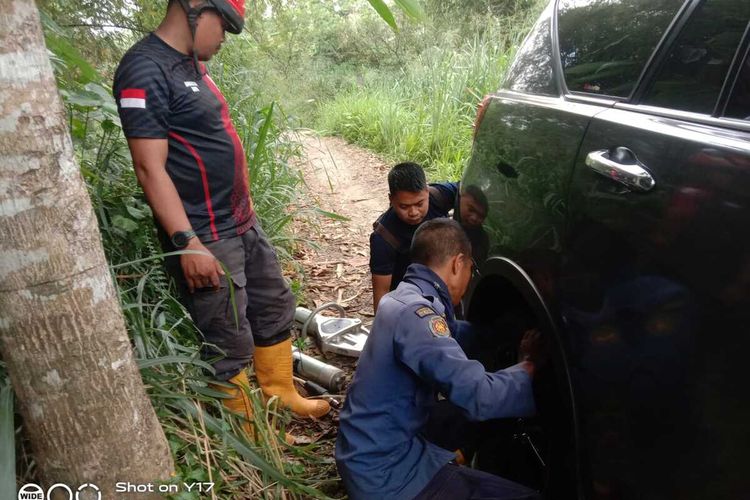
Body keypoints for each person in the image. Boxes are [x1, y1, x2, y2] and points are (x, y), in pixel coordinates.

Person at [112, 0, 330, 438]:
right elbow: (149, 168)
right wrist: (187, 242)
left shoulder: (190, 65)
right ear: (194, 8)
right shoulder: (144, 68)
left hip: (241, 222)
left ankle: (279, 391)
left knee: (273, 305)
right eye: (224, 24)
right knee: (227, 337)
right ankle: (249, 434)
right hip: (205, 234)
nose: (225, 37)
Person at [337, 218, 543, 500]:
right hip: (386, 476)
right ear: (458, 263)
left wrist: (502, 335)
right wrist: (530, 366)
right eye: (472, 268)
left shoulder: (405, 298)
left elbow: (455, 336)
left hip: (368, 450)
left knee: (471, 418)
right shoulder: (418, 316)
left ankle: (457, 463)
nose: (470, 277)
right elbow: (478, 395)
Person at [370, 162, 458, 312]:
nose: (413, 212)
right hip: (409, 298)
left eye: (419, 204)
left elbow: (470, 190)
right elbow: (381, 294)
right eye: (404, 207)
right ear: (391, 200)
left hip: (447, 283)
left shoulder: (439, 196)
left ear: (427, 191)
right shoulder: (384, 238)